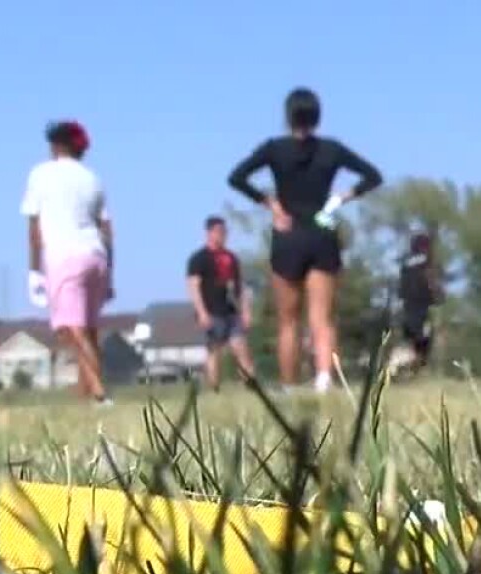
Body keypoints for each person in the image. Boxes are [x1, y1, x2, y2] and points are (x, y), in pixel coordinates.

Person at [227, 87, 383, 393]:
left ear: (287, 117)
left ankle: (288, 385)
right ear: (317, 116)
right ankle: (324, 379)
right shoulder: (331, 150)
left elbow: (237, 177)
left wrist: (270, 204)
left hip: (288, 234)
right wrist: (343, 197)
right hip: (322, 231)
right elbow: (372, 176)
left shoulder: (275, 149)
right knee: (322, 317)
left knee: (288, 321)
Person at [21, 121, 114, 406]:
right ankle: (85, 393)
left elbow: (35, 229)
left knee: (69, 329)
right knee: (89, 328)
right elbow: (107, 228)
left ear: (55, 146)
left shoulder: (41, 174)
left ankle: (100, 393)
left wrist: (35, 270)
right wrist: (111, 272)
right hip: (96, 256)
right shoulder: (93, 179)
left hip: (64, 256)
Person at [186, 216, 257, 391]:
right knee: (214, 350)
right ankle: (214, 388)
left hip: (229, 310)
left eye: (224, 232)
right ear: (209, 233)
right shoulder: (198, 259)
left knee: (240, 346)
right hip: (211, 311)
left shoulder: (230, 258)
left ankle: (251, 386)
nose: (222, 235)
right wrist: (201, 312)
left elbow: (240, 287)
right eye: (218, 232)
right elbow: (193, 287)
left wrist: (246, 311)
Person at [395, 233, 444, 373]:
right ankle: (404, 365)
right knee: (423, 341)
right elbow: (431, 280)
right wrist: (438, 295)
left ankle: (408, 366)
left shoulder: (406, 264)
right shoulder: (426, 263)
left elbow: (401, 288)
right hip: (421, 308)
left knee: (411, 339)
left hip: (407, 308)